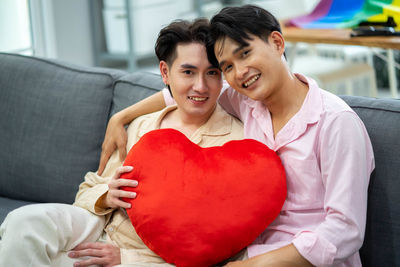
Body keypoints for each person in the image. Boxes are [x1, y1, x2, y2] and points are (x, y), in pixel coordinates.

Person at [98, 5, 375, 267]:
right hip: (245, 252)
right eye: (227, 66)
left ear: (278, 43)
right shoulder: (246, 101)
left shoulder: (336, 123)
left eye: (244, 54)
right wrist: (120, 117)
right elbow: (184, 93)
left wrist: (255, 264)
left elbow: (345, 230)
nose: (239, 73)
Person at [0, 18, 244, 267]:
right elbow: (87, 190)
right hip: (98, 225)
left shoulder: (237, 143)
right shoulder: (143, 125)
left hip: (151, 259)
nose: (201, 86)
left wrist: (129, 258)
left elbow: (217, 242)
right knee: (23, 223)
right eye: (188, 72)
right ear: (165, 72)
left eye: (212, 73)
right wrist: (108, 195)